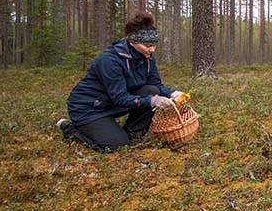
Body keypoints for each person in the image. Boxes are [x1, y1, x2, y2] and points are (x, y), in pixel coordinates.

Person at [56, 11, 186, 152]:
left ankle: (132, 133)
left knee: (151, 90)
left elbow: (155, 85)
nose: (152, 49)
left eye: (154, 45)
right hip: (88, 108)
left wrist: (173, 93)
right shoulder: (109, 61)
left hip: (111, 103)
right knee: (117, 145)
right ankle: (71, 129)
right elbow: (120, 97)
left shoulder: (147, 58)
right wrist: (153, 101)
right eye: (147, 45)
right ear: (133, 41)